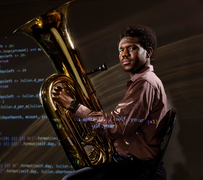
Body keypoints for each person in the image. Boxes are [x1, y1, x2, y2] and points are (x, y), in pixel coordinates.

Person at [52, 24, 168, 180]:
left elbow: (116, 126)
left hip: (137, 169)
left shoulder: (145, 83)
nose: (124, 54)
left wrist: (74, 106)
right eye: (121, 50)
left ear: (148, 52)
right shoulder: (142, 82)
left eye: (131, 48)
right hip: (131, 163)